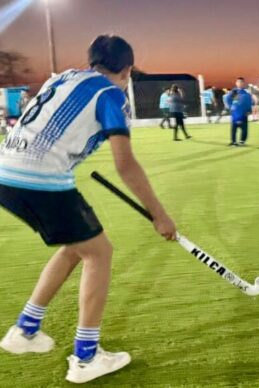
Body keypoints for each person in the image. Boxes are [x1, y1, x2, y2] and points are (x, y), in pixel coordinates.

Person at [0, 35, 177, 384]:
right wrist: (159, 214)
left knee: (77, 247)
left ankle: (25, 330)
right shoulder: (111, 94)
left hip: (6, 173)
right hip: (41, 178)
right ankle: (86, 358)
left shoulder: (64, 76)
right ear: (127, 69)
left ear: (91, 59)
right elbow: (125, 164)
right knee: (100, 253)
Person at [225, 78, 252, 146]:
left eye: (241, 82)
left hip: (243, 113)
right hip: (235, 113)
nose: (239, 83)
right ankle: (233, 141)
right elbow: (228, 99)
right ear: (236, 83)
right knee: (234, 128)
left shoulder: (246, 93)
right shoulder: (234, 92)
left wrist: (249, 110)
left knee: (244, 128)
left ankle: (242, 141)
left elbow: (249, 102)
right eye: (238, 82)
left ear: (243, 83)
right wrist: (231, 106)